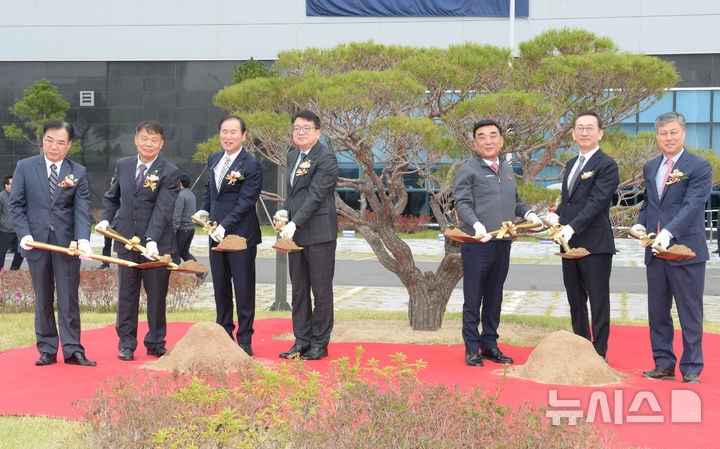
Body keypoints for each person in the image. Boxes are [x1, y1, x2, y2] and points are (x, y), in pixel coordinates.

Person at [452, 119, 542, 367]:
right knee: (473, 297)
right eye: (482, 136)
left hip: (503, 243)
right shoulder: (467, 170)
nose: (488, 140)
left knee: (495, 296)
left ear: (502, 141)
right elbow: (462, 203)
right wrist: (477, 225)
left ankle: (489, 345)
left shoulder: (507, 168)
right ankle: (472, 348)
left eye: (493, 136)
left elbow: (515, 200)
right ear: (475, 142)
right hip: (478, 243)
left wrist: (530, 214)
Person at [631, 112, 712, 384]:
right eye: (663, 133)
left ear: (683, 134)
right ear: (657, 137)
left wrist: (668, 232)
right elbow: (651, 203)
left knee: (690, 312)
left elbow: (692, 205)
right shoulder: (651, 166)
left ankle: (691, 368)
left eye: (673, 132)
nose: (668, 138)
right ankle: (663, 364)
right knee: (657, 312)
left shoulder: (699, 166)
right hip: (656, 253)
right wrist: (641, 225)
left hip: (685, 251)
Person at [9, 120, 96, 366]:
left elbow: (81, 209)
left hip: (66, 246)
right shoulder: (25, 167)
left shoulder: (77, 171)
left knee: (69, 298)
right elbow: (16, 205)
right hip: (36, 244)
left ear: (68, 146)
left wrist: (83, 240)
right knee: (43, 298)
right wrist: (24, 234)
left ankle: (73, 349)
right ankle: (47, 348)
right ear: (42, 140)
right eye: (49, 140)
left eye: (60, 143)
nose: (54, 147)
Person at [96, 120, 180, 361]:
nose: (148, 144)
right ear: (136, 140)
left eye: (154, 140)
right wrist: (105, 219)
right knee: (127, 295)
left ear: (161, 144)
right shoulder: (123, 165)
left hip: (157, 245)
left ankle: (155, 342)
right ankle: (126, 343)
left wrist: (152, 239)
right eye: (144, 138)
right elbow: (112, 197)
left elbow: (163, 209)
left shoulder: (169, 172)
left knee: (156, 296)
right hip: (125, 241)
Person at [546, 111, 619, 359]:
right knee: (575, 300)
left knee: (598, 301)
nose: (584, 132)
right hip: (569, 245)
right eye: (579, 128)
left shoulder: (606, 164)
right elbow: (570, 201)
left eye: (589, 128)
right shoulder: (571, 164)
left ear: (600, 133)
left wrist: (572, 226)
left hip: (595, 244)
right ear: (574, 133)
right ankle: (581, 348)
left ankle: (599, 354)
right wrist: (556, 215)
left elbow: (597, 202)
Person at [192, 116, 262, 356]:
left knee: (243, 288)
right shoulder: (214, 159)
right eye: (224, 131)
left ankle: (244, 340)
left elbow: (246, 202)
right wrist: (204, 210)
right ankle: (223, 335)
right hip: (215, 235)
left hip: (240, 236)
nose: (228, 136)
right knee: (220, 288)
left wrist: (225, 226)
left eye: (233, 132)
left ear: (243, 135)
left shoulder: (251, 165)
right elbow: (211, 192)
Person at [277, 110, 338, 361]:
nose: (300, 132)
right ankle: (301, 341)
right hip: (296, 234)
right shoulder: (293, 155)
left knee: (321, 291)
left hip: (319, 233)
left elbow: (316, 196)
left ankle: (319, 344)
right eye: (296, 128)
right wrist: (286, 211)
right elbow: (295, 194)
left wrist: (295, 223)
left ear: (318, 132)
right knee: (299, 290)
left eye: (306, 128)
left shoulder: (326, 158)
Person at [173, 174, 206, 282]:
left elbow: (177, 214)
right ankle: (200, 272)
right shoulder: (191, 194)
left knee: (175, 254)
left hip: (182, 229)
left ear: (180, 183)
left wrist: (174, 229)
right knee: (184, 253)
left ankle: (175, 279)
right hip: (190, 229)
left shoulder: (180, 195)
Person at [0, 175, 24, 271]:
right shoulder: (1, 197)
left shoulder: (20, 195)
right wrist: (3, 224)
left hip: (19, 230)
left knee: (20, 252)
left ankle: (14, 270)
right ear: (6, 185)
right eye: (12, 183)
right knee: (1, 253)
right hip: (5, 231)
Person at [96, 177, 115, 270]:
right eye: (113, 181)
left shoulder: (126, 194)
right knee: (107, 244)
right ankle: (105, 264)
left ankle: (125, 265)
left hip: (121, 225)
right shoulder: (108, 195)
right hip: (109, 225)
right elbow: (107, 209)